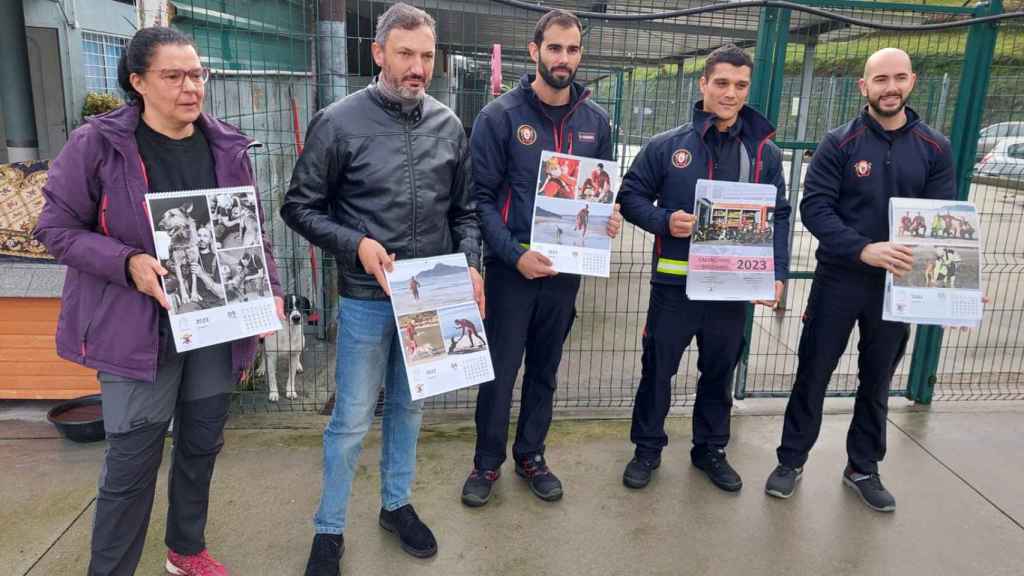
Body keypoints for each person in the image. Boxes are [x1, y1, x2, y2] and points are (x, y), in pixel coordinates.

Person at [33, 26, 284, 576]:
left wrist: (268, 291)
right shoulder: (98, 145)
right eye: (173, 76)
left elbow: (251, 230)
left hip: (213, 324)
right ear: (138, 82)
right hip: (134, 330)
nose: (191, 87)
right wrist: (127, 263)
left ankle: (185, 550)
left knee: (201, 444)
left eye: (197, 74)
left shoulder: (226, 145)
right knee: (131, 462)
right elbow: (54, 229)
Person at [280, 4, 482, 574]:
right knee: (350, 420)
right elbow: (298, 206)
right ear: (378, 53)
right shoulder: (338, 122)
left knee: (410, 410)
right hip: (367, 299)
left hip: (431, 295)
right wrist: (356, 244)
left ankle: (396, 505)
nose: (418, 67)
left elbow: (465, 211)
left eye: (426, 56)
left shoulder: (449, 125)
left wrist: (471, 264)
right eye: (405, 54)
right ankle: (329, 529)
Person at [765, 48, 956, 512]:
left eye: (899, 78)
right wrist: (862, 248)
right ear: (864, 86)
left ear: (912, 81)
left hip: (898, 284)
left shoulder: (935, 147)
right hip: (840, 278)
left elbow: (941, 222)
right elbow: (815, 208)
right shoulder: (839, 143)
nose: (890, 88)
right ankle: (791, 460)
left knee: (877, 379)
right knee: (813, 371)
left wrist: (955, 283)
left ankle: (863, 467)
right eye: (880, 79)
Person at [462, 8, 622, 507]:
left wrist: (608, 218)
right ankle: (486, 463)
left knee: (546, 368)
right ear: (534, 51)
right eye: (554, 48)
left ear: (580, 55)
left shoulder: (597, 122)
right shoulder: (500, 117)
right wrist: (514, 256)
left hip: (565, 272)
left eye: (572, 49)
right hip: (512, 271)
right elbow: (480, 200)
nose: (563, 58)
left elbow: (600, 193)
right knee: (500, 371)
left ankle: (531, 455)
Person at [616, 44, 791, 493]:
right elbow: (630, 196)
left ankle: (710, 450)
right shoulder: (667, 146)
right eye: (722, 83)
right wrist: (663, 220)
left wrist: (777, 272)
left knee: (719, 372)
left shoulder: (765, 154)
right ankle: (647, 449)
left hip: (732, 290)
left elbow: (780, 214)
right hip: (674, 287)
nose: (731, 93)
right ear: (703, 84)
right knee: (658, 370)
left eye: (740, 85)